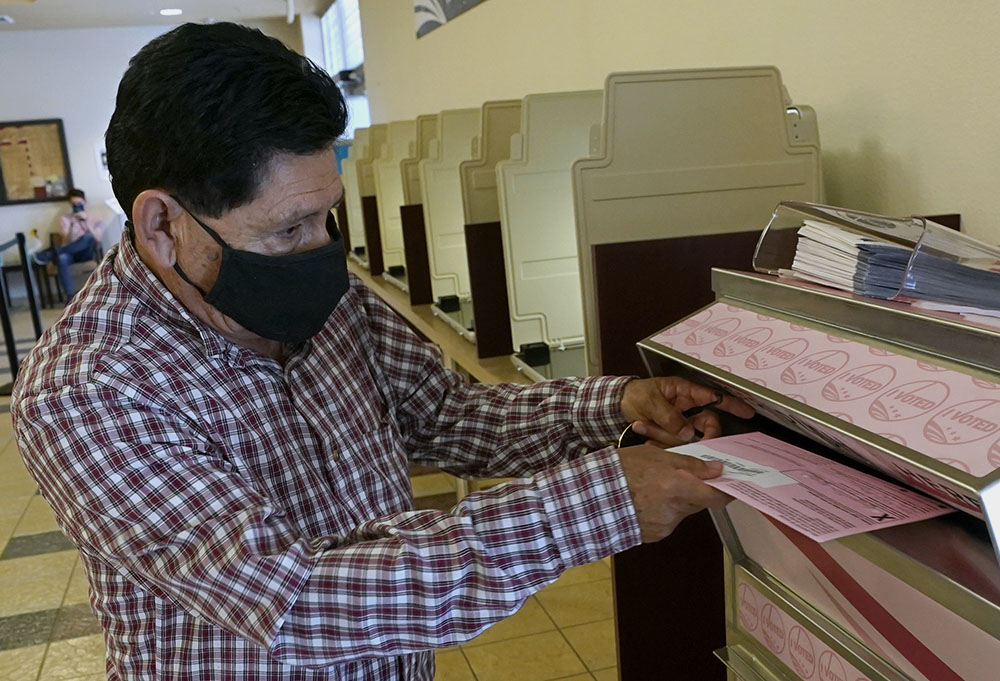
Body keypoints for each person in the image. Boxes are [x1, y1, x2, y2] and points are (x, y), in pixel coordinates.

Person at [12, 23, 754, 681]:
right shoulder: (90, 389)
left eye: (326, 215)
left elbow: (448, 415)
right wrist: (600, 502)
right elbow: (296, 600)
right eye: (289, 228)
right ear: (161, 225)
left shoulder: (329, 299)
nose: (321, 252)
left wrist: (617, 405)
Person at [32, 188, 104, 298]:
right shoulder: (65, 219)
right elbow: (66, 241)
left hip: (86, 254)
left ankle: (49, 254)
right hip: (70, 252)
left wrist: (86, 222)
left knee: (88, 237)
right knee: (62, 258)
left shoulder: (95, 219)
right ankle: (70, 297)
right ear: (70, 204)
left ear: (85, 202)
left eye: (79, 203)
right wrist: (72, 225)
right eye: (74, 204)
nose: (77, 206)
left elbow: (98, 239)